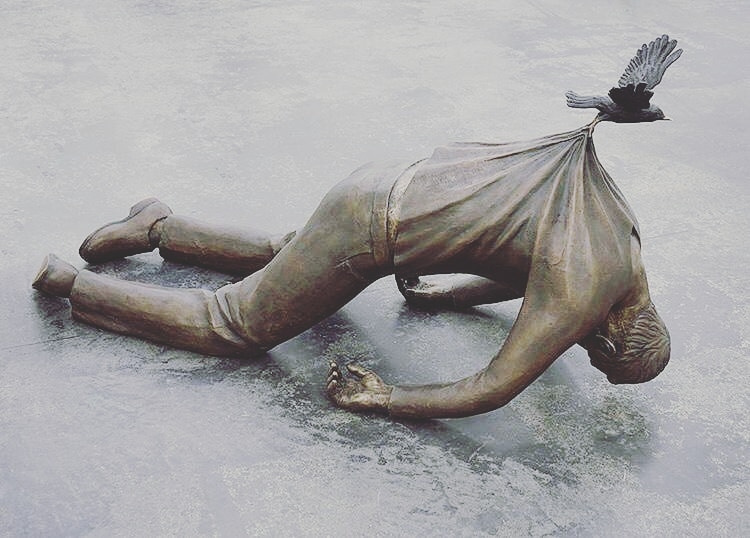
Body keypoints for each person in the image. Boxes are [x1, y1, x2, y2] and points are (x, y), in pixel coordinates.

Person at [32, 120, 670, 419]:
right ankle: (73, 284)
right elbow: (490, 388)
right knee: (236, 324)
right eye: (598, 358)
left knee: (297, 255)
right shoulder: (583, 294)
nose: (581, 350)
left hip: (395, 180)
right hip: (374, 226)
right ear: (613, 339)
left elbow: (525, 274)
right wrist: (384, 396)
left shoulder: (624, 247)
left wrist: (443, 297)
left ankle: (158, 226)